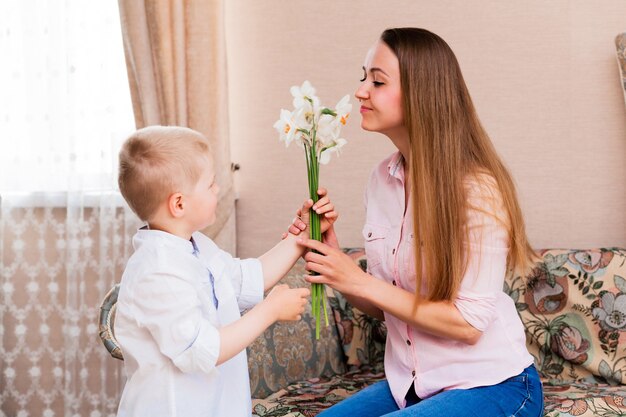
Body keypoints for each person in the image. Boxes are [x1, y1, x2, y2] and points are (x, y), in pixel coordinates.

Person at [289, 28, 544, 416]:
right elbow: (385, 305)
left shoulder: (476, 189)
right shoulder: (381, 180)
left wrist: (356, 279)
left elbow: (469, 324)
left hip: (495, 384)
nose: (361, 92)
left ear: (422, 92)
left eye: (377, 81)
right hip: (412, 386)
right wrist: (333, 258)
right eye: (364, 79)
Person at [114, 126, 336, 417]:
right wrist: (269, 311)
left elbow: (249, 278)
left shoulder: (196, 247)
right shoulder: (158, 271)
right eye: (211, 184)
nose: (218, 189)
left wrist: (302, 236)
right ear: (179, 203)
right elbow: (202, 350)